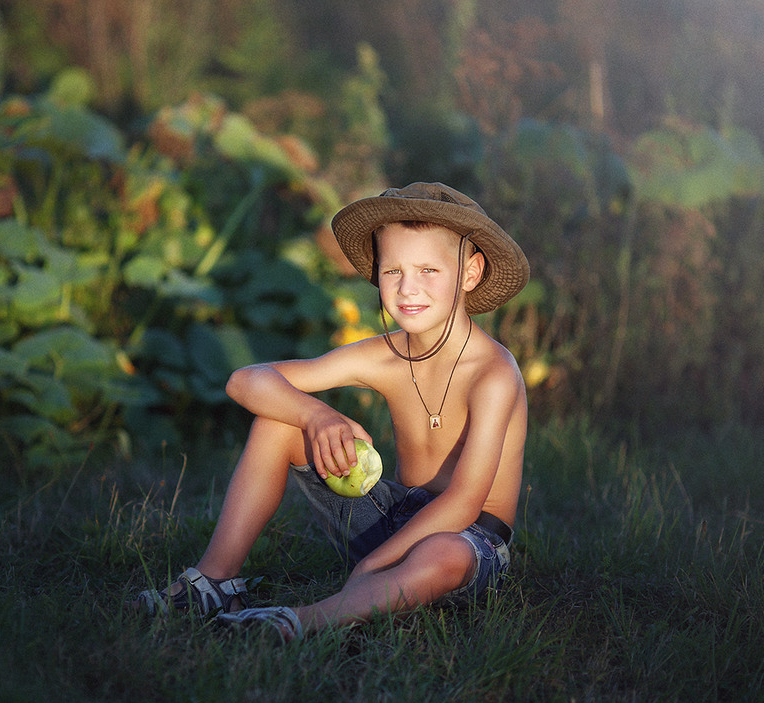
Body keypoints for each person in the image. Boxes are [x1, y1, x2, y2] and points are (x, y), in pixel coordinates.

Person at [132, 182, 530, 642]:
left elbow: (463, 502)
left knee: (443, 555)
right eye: (392, 270)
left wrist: (371, 563)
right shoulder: (384, 357)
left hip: (468, 537)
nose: (407, 288)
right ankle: (215, 582)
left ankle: (301, 620)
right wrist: (313, 415)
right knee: (278, 419)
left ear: (470, 272)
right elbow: (243, 380)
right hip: (394, 516)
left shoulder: (493, 374)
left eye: (428, 270)